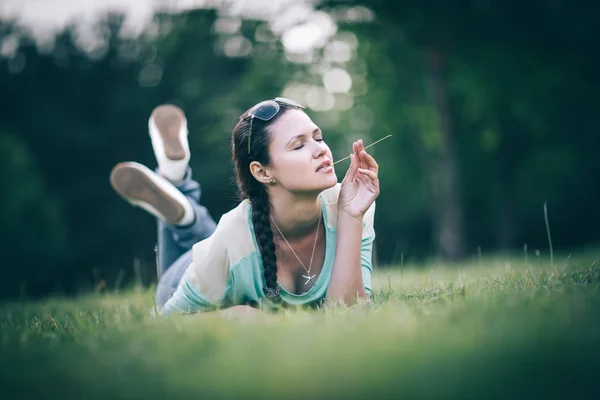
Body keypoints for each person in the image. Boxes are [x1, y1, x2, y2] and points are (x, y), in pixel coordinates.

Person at [110, 98, 379, 316]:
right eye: (298, 145)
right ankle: (182, 200)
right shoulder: (232, 238)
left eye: (318, 138)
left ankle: (178, 187)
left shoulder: (352, 203)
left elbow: (348, 313)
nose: (321, 150)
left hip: (227, 253)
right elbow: (168, 323)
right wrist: (235, 316)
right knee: (219, 237)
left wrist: (351, 217)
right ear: (262, 172)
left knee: (216, 236)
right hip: (190, 274)